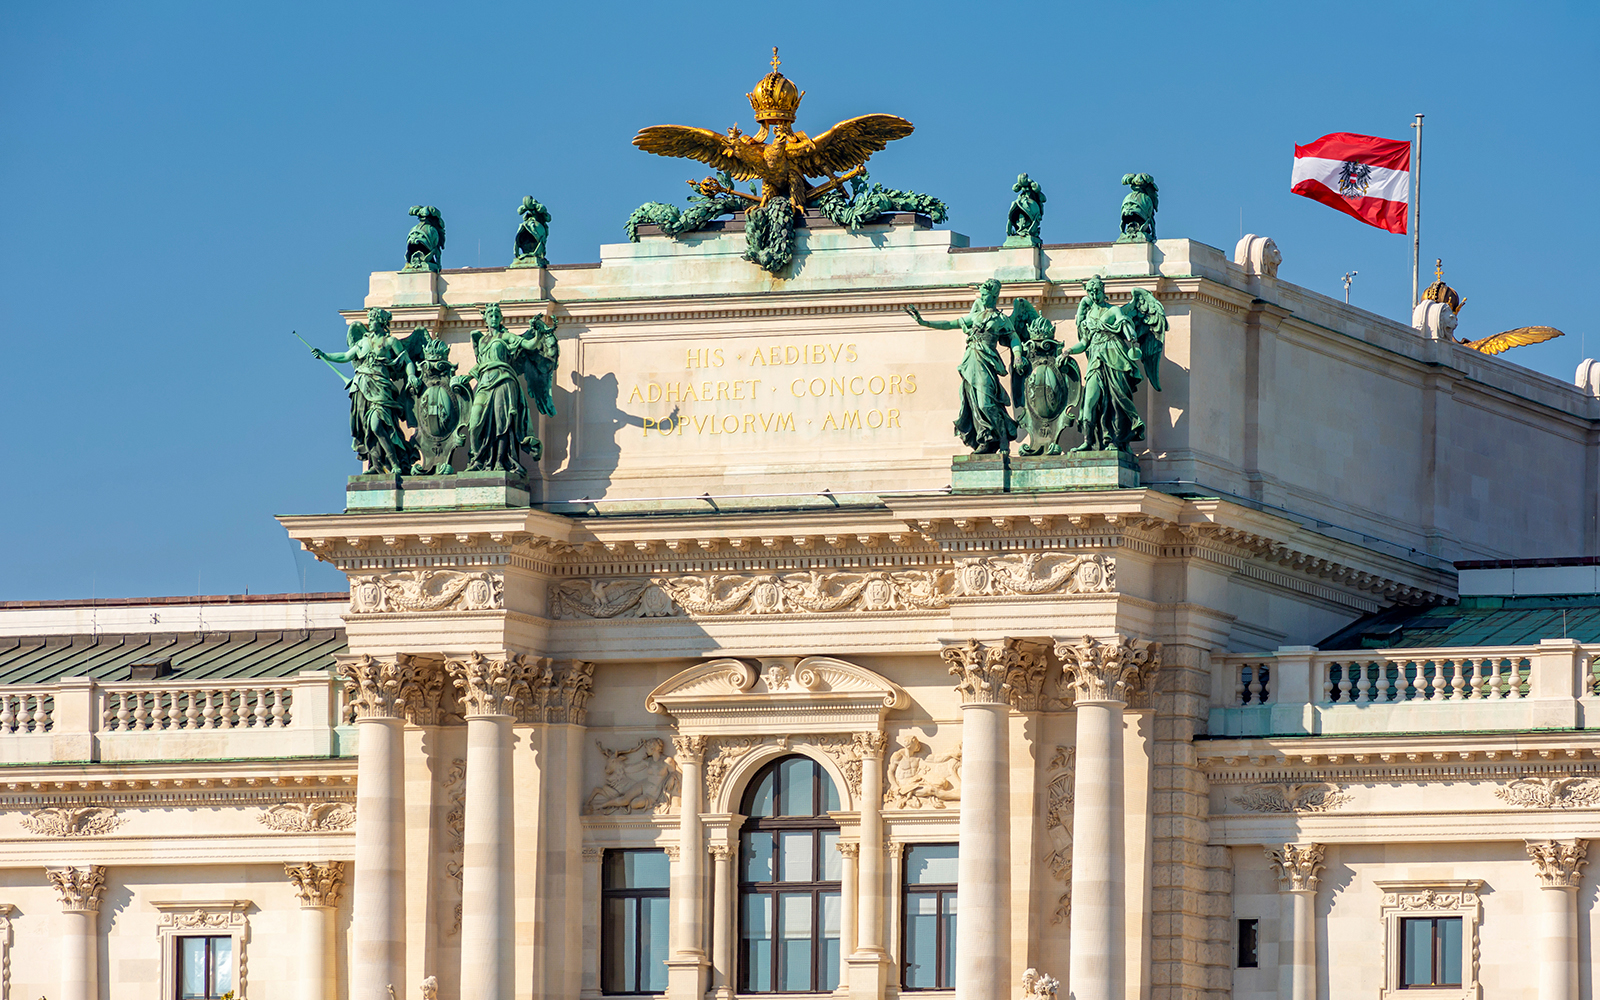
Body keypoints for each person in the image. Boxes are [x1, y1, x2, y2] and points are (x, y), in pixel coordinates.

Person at [906, 279, 1027, 453]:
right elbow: (950, 324)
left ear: (994, 296)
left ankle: (1003, 438)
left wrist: (1017, 356)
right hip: (971, 360)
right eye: (982, 295)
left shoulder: (1001, 319)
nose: (983, 298)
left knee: (986, 403)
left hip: (987, 361)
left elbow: (1014, 338)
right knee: (974, 403)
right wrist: (925, 323)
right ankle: (986, 438)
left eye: (986, 295)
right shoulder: (975, 316)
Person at [310, 307, 418, 474]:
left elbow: (407, 361)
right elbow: (346, 356)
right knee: (368, 428)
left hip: (381, 387)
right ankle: (376, 465)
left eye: (373, 319)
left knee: (378, 424)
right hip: (361, 388)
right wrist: (325, 355)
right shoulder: (362, 342)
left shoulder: (390, 342)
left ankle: (395, 463)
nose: (370, 322)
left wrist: (411, 375)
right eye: (369, 319)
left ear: (381, 322)